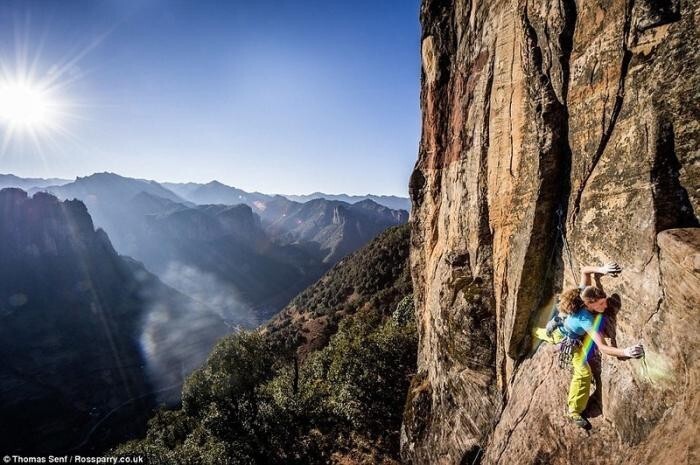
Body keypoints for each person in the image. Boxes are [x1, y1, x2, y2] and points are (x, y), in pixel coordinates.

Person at [535, 263, 644, 428]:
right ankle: (574, 411)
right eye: (600, 305)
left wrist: (602, 271)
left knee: (546, 334)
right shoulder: (586, 320)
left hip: (564, 329)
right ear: (589, 304)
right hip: (568, 340)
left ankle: (535, 331)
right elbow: (602, 347)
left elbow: (585, 270)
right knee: (584, 373)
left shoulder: (583, 293)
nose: (605, 306)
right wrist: (626, 351)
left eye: (604, 301)